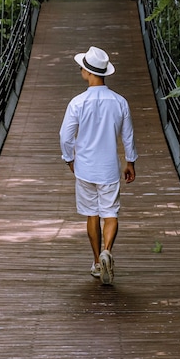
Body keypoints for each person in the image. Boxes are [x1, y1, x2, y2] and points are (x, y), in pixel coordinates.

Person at [60, 45, 137, 285]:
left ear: (87, 71)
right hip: (109, 169)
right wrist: (130, 162)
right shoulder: (120, 102)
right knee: (110, 213)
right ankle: (107, 251)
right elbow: (128, 136)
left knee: (92, 214)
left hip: (85, 168)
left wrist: (69, 158)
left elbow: (65, 136)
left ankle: (96, 262)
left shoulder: (77, 103)